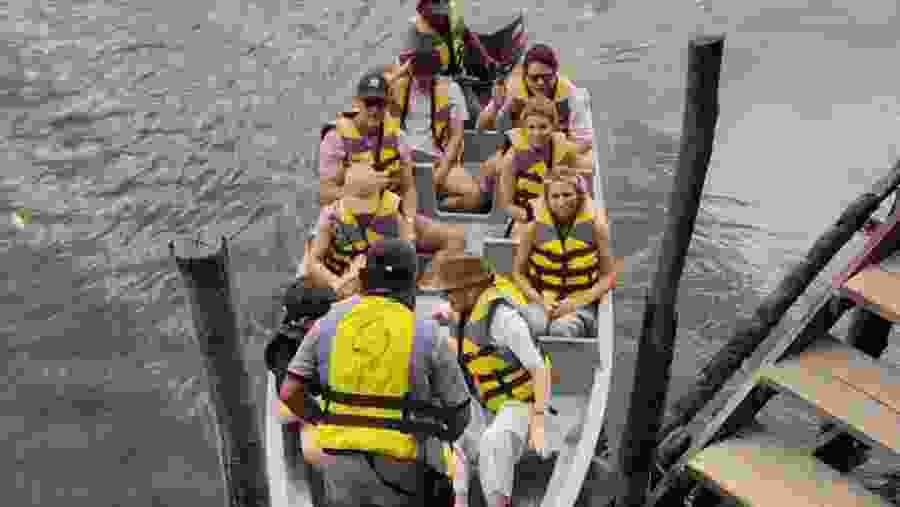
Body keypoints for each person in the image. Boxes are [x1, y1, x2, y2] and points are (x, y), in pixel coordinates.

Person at [280, 238, 472, 507]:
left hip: (340, 468)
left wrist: (322, 418)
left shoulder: (327, 323)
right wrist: (439, 434)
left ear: (363, 279)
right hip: (404, 475)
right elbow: (461, 414)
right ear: (411, 283)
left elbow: (289, 391)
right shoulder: (429, 334)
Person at [312, 68, 466, 283]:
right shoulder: (336, 139)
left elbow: (409, 188)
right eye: (369, 103)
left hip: (391, 217)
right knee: (366, 267)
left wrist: (410, 224)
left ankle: (425, 287)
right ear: (357, 103)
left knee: (456, 239)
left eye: (380, 104)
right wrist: (364, 189)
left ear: (387, 105)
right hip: (352, 223)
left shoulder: (398, 138)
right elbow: (325, 193)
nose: (374, 110)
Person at [428, 254, 554, 507]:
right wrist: (447, 318)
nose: (446, 299)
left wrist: (539, 421)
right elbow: (467, 343)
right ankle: (460, 502)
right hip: (488, 405)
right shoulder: (463, 312)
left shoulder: (505, 320)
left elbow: (539, 369)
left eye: (449, 293)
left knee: (493, 441)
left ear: (472, 290)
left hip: (523, 405)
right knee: (451, 433)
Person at [511, 173, 619, 338]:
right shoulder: (533, 227)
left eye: (567, 195)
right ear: (546, 199)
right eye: (555, 196)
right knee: (535, 326)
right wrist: (540, 301)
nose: (561, 202)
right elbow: (518, 273)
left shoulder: (596, 227)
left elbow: (609, 276)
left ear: (580, 195)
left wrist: (576, 303)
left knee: (561, 330)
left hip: (581, 305)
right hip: (542, 300)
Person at [306, 161, 415, 300]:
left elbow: (407, 263)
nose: (362, 214)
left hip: (377, 283)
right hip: (337, 282)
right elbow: (314, 262)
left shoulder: (395, 217)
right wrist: (337, 283)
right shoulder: (330, 216)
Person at [498, 96, 592, 237]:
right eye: (531, 127)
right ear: (524, 128)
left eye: (543, 127)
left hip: (560, 212)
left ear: (553, 126)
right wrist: (534, 219)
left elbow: (588, 170)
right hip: (525, 216)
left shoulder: (564, 149)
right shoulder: (511, 159)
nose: (537, 133)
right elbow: (507, 206)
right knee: (527, 235)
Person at [479, 43, 594, 155]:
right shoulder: (511, 89)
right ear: (525, 75)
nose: (540, 83)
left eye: (546, 77)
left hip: (559, 157)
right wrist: (496, 105)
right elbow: (481, 127)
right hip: (520, 155)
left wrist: (553, 156)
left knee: (587, 166)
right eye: (534, 78)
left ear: (555, 73)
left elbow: (584, 143)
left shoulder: (571, 95)